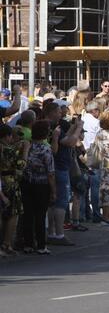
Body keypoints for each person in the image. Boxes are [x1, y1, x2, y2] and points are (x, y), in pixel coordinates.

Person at [45, 102, 82, 245]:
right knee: (61, 202)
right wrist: (78, 128)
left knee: (53, 202)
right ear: (52, 112)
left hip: (57, 167)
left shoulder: (51, 126)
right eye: (59, 112)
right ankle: (59, 234)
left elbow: (66, 137)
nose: (61, 114)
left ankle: (52, 233)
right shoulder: (53, 128)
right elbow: (70, 141)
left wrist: (73, 126)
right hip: (59, 167)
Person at [21, 120, 55, 254]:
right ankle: (41, 245)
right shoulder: (46, 149)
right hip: (42, 185)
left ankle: (28, 244)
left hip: (27, 183)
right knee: (40, 215)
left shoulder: (27, 147)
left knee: (28, 214)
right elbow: (51, 173)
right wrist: (53, 191)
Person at [0, 124, 28, 256]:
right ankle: (7, 243)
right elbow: (21, 165)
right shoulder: (7, 150)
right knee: (12, 214)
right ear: (7, 136)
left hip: (3, 182)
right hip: (9, 182)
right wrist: (25, 151)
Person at [82, 101, 102, 222]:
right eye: (98, 110)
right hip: (93, 153)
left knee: (84, 187)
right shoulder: (96, 122)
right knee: (95, 186)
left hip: (82, 153)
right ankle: (96, 214)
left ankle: (84, 214)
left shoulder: (82, 120)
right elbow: (99, 140)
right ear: (94, 110)